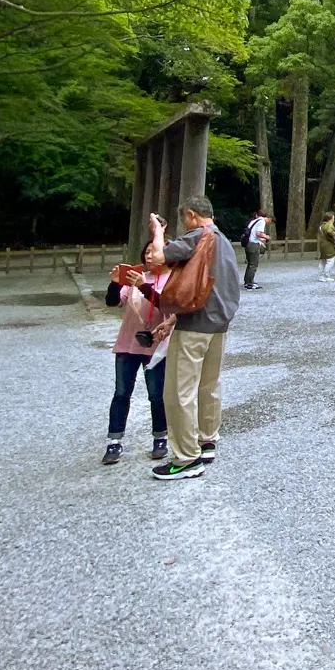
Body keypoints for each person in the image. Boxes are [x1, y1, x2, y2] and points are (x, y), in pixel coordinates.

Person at [146, 195, 241, 481]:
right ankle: (207, 440)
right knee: (209, 385)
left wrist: (158, 232)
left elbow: (158, 258)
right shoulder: (224, 241)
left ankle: (186, 458)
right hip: (219, 324)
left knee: (178, 391)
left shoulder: (198, 236)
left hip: (195, 326)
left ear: (191, 215)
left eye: (184, 219)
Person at [101, 244, 169, 465]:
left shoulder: (173, 278)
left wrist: (144, 286)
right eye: (147, 251)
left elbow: (169, 307)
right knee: (121, 393)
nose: (150, 255)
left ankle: (160, 437)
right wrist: (114, 282)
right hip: (128, 343)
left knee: (156, 394)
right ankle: (114, 441)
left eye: (155, 250)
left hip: (156, 345)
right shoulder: (135, 276)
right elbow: (113, 301)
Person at [241, 210, 269, 291]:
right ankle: (250, 283)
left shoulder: (253, 221)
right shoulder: (261, 221)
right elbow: (258, 234)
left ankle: (247, 281)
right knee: (253, 265)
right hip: (253, 244)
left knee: (250, 263)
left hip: (248, 243)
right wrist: (266, 237)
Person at [318, 211, 335, 281]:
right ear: (330, 218)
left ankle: (321, 276)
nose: (334, 219)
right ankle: (326, 276)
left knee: (323, 261)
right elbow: (329, 231)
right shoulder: (329, 225)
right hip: (328, 245)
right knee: (330, 260)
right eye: (333, 217)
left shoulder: (322, 226)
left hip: (322, 245)